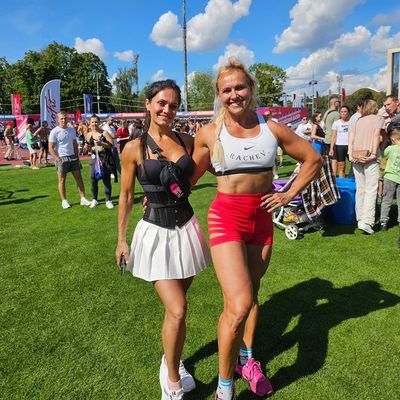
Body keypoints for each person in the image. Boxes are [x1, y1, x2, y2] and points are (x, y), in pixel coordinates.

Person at [191, 58, 323, 400]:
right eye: (226, 90)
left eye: (240, 87)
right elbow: (188, 176)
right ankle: (225, 387)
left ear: (250, 88)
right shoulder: (209, 133)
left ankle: (246, 360)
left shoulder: (272, 129)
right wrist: (158, 196)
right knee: (239, 305)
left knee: (250, 297)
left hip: (262, 220)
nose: (234, 94)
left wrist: (288, 194)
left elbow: (312, 159)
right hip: (226, 218)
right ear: (219, 95)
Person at [115, 79, 210, 400]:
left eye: (173, 105)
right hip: (155, 234)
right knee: (178, 308)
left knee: (176, 311)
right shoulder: (133, 148)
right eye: (161, 103)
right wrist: (121, 240)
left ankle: (173, 358)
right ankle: (171, 381)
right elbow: (126, 195)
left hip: (187, 231)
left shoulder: (187, 140)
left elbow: (208, 164)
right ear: (148, 104)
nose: (167, 109)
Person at [348, 99, 384, 234]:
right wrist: (374, 153)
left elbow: (351, 138)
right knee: (371, 189)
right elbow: (376, 135)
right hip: (369, 156)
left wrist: (350, 154)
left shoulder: (358, 120)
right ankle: (367, 221)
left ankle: (360, 218)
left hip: (356, 156)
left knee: (361, 189)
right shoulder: (378, 119)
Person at [48, 111, 91, 209]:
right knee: (62, 180)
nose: (63, 120)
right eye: (61, 118)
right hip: (62, 158)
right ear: (58, 120)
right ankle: (64, 201)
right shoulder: (54, 131)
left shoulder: (71, 130)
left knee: (79, 178)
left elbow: (75, 144)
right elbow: (50, 147)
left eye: (65, 118)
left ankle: (83, 198)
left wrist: (76, 156)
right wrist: (57, 159)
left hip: (73, 157)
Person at [85, 114, 115, 209]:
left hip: (104, 158)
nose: (94, 124)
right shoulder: (88, 134)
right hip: (93, 159)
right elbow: (88, 148)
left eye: (96, 122)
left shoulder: (104, 133)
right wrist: (87, 148)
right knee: (93, 179)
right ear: (90, 123)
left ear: (99, 122)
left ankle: (108, 200)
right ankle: (95, 199)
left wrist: (101, 143)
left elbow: (111, 145)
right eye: (92, 122)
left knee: (106, 179)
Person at [379, 127, 400, 241]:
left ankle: (383, 222)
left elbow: (383, 157)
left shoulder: (390, 149)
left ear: (392, 139)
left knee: (386, 200)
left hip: (389, 177)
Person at [329, 105, 350, 178]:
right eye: (342, 112)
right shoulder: (336, 123)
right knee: (341, 166)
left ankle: (353, 180)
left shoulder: (351, 122)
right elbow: (333, 136)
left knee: (355, 164)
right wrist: (331, 149)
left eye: (345, 111)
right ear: (340, 113)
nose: (343, 113)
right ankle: (342, 181)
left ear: (348, 113)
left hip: (350, 146)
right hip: (339, 146)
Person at [323, 95, 340, 164]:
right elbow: (338, 127)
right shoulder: (336, 114)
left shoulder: (326, 113)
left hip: (327, 138)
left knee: (331, 158)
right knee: (335, 159)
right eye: (339, 102)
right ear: (335, 103)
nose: (339, 104)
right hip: (334, 139)